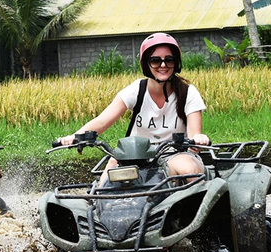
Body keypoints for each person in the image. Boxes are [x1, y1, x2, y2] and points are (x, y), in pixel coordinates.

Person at [57, 33, 210, 183]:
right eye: (155, 60)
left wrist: (198, 139)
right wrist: (75, 136)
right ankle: (95, 203)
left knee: (189, 169)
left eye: (169, 60)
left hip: (174, 154)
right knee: (112, 167)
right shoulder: (137, 90)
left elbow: (194, 135)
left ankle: (194, 206)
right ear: (146, 64)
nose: (163, 65)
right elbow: (102, 121)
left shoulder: (188, 92)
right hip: (136, 155)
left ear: (176, 63)